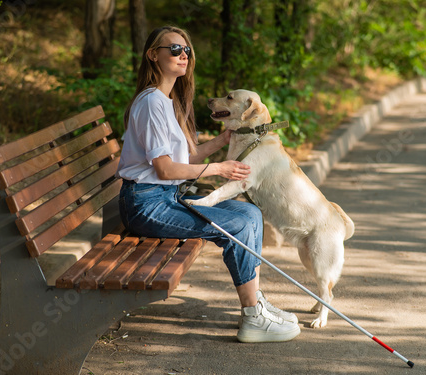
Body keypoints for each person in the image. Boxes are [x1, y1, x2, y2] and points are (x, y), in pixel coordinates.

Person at [117, 25, 300, 343]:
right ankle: (252, 316)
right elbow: (164, 169)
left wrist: (225, 138)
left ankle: (256, 302)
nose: (183, 54)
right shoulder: (150, 104)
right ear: (153, 55)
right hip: (146, 204)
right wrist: (219, 168)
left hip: (165, 198)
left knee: (251, 216)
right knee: (238, 228)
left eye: (186, 49)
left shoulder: (167, 100)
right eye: (174, 49)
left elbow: (189, 155)